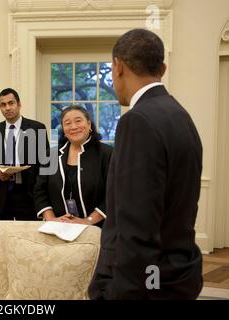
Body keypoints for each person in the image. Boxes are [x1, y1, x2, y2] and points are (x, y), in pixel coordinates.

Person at [88, 29, 203, 299]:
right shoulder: (181, 116)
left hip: (147, 286)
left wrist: (123, 292)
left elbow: (137, 228)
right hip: (179, 275)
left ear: (117, 66)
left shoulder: (137, 121)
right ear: (162, 68)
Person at [34, 105, 112, 227]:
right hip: (59, 227)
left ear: (89, 124)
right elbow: (40, 191)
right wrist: (52, 219)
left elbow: (113, 194)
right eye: (67, 123)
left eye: (78, 121)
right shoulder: (50, 155)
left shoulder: (107, 154)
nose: (73, 127)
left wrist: (88, 221)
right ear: (63, 129)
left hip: (97, 229)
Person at [0, 88, 49, 221]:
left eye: (11, 103)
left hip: (28, 197)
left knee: (27, 240)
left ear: (19, 104)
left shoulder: (37, 128)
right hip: (0, 199)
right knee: (1, 239)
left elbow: (45, 164)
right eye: (3, 105)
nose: (7, 108)